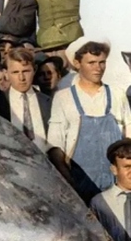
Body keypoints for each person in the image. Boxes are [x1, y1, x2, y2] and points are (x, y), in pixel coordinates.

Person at [47, 40, 131, 203]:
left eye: (102, 62)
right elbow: (55, 146)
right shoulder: (64, 97)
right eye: (91, 63)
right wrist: (69, 182)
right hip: (79, 181)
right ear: (77, 63)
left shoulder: (116, 94)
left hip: (115, 183)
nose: (98, 68)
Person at [0, 48, 51, 153]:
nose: (21, 78)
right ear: (7, 73)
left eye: (26, 71)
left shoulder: (48, 102)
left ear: (35, 70)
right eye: (15, 72)